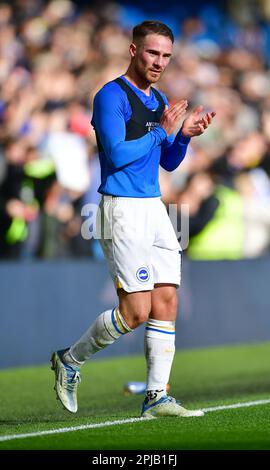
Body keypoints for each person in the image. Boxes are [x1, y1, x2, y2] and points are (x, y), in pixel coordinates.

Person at [51, 20, 215, 418]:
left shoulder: (159, 100)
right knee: (135, 312)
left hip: (154, 207)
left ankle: (156, 396)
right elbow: (117, 153)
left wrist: (185, 135)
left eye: (166, 56)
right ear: (133, 50)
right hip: (120, 207)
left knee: (166, 298)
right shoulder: (111, 96)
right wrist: (163, 131)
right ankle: (70, 360)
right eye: (152, 53)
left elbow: (169, 163)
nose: (159, 62)